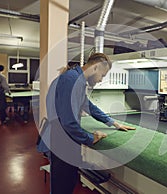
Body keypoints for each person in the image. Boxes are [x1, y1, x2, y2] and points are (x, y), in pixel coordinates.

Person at [47, 53, 135, 194]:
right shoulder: (71, 80)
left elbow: (88, 105)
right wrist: (90, 138)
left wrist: (112, 123)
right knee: (62, 186)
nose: (101, 80)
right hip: (63, 140)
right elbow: (68, 122)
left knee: (68, 181)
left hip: (65, 139)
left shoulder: (76, 80)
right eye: (102, 75)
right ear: (95, 67)